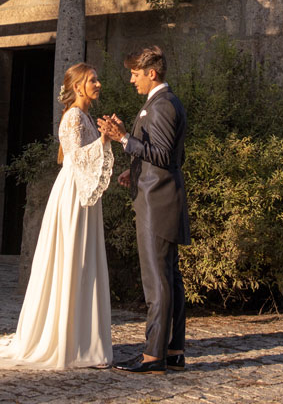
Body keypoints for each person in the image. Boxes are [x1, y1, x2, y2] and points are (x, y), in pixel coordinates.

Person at [0, 62, 115, 369]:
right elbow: (75, 158)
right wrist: (104, 141)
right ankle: (67, 341)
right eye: (92, 80)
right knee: (73, 259)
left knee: (84, 260)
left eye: (97, 80)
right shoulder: (73, 115)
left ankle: (83, 340)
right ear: (78, 87)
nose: (98, 84)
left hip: (83, 193)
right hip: (73, 193)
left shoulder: (85, 115)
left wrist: (103, 138)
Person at [98, 46, 189, 374]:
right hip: (161, 197)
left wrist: (123, 138)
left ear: (152, 73)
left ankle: (153, 356)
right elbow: (168, 158)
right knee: (170, 279)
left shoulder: (161, 106)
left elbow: (164, 155)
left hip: (157, 204)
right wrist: (133, 169)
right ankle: (174, 350)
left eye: (135, 73)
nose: (131, 78)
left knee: (158, 282)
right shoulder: (163, 103)